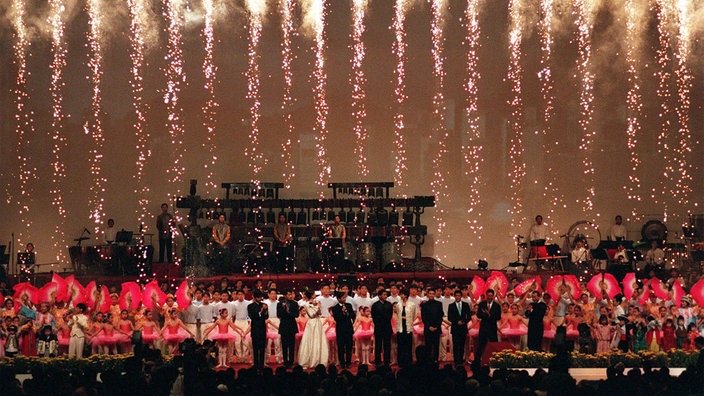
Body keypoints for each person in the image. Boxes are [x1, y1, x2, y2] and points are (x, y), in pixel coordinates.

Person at [298, 290, 328, 369]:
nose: (315, 295)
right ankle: (310, 360)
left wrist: (318, 307)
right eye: (314, 294)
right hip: (312, 323)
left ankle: (318, 360)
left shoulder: (315, 302)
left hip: (317, 323)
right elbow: (311, 315)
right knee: (311, 341)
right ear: (311, 295)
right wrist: (317, 307)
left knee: (318, 341)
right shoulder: (307, 304)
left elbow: (319, 313)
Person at [472, 288, 501, 369]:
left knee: (494, 345)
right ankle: (477, 362)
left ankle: (496, 362)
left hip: (492, 328)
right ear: (486, 296)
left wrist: (489, 315)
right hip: (484, 328)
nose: (489, 297)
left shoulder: (497, 306)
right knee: (481, 345)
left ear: (493, 296)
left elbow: (498, 317)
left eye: (491, 296)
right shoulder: (482, 304)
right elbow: (478, 315)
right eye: (488, 296)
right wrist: (486, 315)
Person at [330, 291, 355, 368]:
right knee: (341, 347)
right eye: (343, 297)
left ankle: (348, 362)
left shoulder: (349, 305)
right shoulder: (335, 308)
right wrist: (343, 312)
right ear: (338, 298)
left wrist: (347, 312)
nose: (345, 299)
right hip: (340, 329)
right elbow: (337, 318)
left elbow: (353, 315)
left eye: (345, 297)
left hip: (348, 328)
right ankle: (342, 363)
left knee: (349, 346)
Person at [447, 289, 470, 366]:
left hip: (463, 328)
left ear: (461, 296)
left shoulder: (466, 305)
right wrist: (457, 322)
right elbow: (449, 317)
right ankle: (456, 360)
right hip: (455, 328)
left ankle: (460, 360)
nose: (457, 297)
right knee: (456, 345)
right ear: (454, 296)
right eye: (456, 295)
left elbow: (469, 316)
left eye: (459, 295)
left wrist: (463, 321)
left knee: (462, 345)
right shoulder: (451, 305)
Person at [421, 288, 444, 364]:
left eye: (432, 293)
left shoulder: (439, 304)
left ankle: (435, 360)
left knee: (436, 345)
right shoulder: (424, 304)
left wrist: (436, 326)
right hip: (428, 328)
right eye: (429, 293)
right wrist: (429, 327)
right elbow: (423, 317)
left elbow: (440, 316)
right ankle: (428, 361)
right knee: (428, 346)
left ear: (434, 294)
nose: (431, 295)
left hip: (436, 328)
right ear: (427, 294)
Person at [371, 289, 393, 366]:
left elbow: (390, 316)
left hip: (387, 327)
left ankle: (387, 361)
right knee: (378, 345)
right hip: (378, 327)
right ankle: (378, 361)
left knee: (387, 345)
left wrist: (383, 317)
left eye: (386, 295)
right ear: (379, 296)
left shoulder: (389, 304)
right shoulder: (375, 305)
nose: (385, 296)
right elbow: (374, 317)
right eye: (384, 295)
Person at [394, 288, 416, 367]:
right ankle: (400, 362)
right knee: (400, 345)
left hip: (408, 328)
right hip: (400, 327)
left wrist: (406, 319)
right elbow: (398, 314)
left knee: (408, 345)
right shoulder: (398, 304)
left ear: (405, 295)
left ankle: (408, 361)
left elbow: (413, 316)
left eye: (402, 294)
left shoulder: (412, 304)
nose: (400, 296)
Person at [277, 288, 299, 368]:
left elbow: (296, 314)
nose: (291, 296)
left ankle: (291, 361)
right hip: (284, 326)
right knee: (284, 345)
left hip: (292, 326)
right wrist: (284, 310)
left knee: (292, 345)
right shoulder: (280, 304)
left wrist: (288, 312)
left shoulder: (295, 303)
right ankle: (285, 361)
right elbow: (279, 314)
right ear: (285, 295)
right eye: (289, 294)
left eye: (291, 294)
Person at [248, 290, 269, 370]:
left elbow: (266, 317)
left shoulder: (265, 305)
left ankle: (261, 365)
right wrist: (261, 311)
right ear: (254, 297)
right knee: (255, 348)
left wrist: (265, 310)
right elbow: (252, 316)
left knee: (262, 348)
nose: (260, 299)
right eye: (258, 297)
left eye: (260, 297)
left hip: (262, 328)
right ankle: (256, 364)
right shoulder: (250, 306)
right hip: (255, 328)